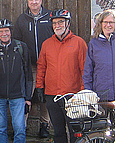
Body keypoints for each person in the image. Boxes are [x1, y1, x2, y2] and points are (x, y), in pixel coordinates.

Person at [35, 9, 87, 143]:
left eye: (61, 22)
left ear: (68, 23)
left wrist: (83, 91)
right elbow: (41, 67)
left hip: (73, 96)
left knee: (75, 131)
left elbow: (84, 69)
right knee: (58, 132)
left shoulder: (79, 42)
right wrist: (39, 87)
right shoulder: (47, 44)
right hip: (53, 95)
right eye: (54, 23)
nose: (57, 26)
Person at [0, 19, 33, 143]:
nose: (4, 34)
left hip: (17, 96)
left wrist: (28, 97)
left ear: (11, 32)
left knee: (20, 128)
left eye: (6, 31)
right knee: (0, 129)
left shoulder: (21, 47)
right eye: (1, 31)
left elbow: (28, 74)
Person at [14, 0, 53, 137]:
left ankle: (44, 126)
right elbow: (16, 42)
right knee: (26, 96)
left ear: (41, 0)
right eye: (31, 0)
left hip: (48, 65)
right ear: (27, 1)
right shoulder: (22, 19)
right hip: (29, 66)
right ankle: (21, 128)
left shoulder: (49, 17)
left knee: (46, 96)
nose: (34, 2)